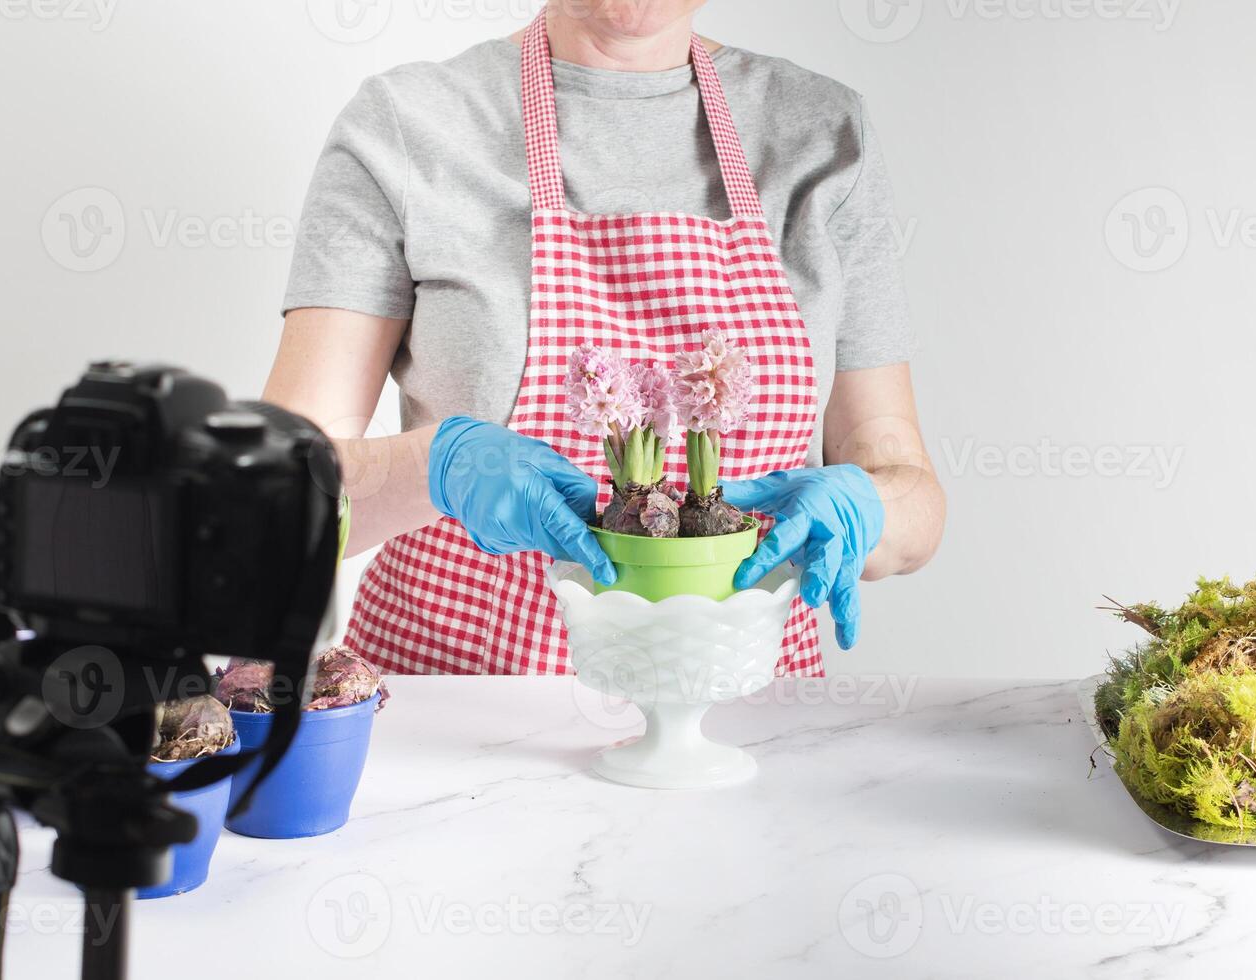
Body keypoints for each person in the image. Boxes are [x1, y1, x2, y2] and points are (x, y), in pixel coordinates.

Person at [264, 1, 946, 677]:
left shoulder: (824, 131)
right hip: (459, 731)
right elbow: (261, 511)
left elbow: (904, 482)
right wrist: (431, 469)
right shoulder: (409, 125)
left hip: (742, 729)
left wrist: (874, 510)